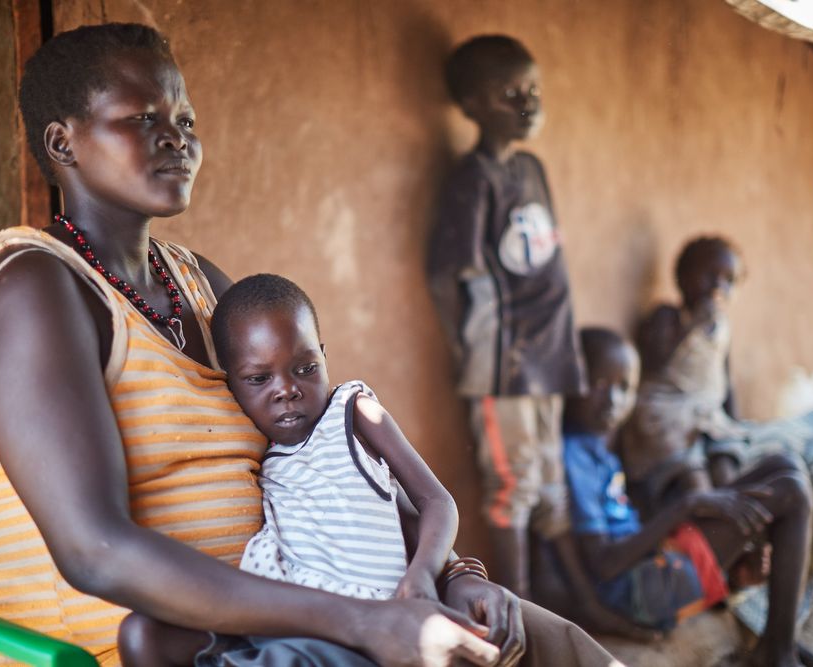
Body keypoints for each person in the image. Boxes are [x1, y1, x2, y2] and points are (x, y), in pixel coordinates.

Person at [0, 22, 618, 667]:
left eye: (186, 122)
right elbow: (95, 551)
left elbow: (337, 456)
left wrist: (448, 572)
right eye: (143, 119)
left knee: (541, 638)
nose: (176, 138)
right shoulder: (32, 287)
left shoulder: (200, 285)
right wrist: (361, 620)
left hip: (290, 614)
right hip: (131, 643)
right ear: (63, 143)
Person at [425, 34, 633, 637]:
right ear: (470, 105)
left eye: (533, 90)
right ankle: (523, 617)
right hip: (505, 365)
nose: (527, 102)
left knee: (550, 484)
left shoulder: (532, 169)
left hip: (549, 356)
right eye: (509, 93)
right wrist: (469, 352)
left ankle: (575, 606)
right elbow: (446, 273)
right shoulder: (475, 178)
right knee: (513, 486)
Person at [564, 328, 813, 666]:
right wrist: (690, 506)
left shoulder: (599, 450)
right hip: (638, 595)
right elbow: (606, 564)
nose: (612, 400)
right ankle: (778, 653)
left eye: (624, 388)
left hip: (651, 566)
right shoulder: (573, 456)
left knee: (784, 465)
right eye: (599, 384)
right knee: (791, 492)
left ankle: (775, 642)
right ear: (573, 380)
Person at [210, 272, 457, 603]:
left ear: (324, 358)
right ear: (231, 385)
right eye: (259, 378)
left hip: (389, 611)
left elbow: (436, 501)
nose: (286, 390)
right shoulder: (250, 450)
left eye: (306, 368)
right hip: (310, 627)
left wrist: (424, 572)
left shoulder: (353, 414)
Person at [620, 236, 748, 518]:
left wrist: (737, 427)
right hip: (666, 414)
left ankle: (733, 542)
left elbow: (726, 382)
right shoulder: (667, 316)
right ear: (682, 278)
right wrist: (693, 325)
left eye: (728, 279)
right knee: (696, 483)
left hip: (705, 416)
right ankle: (703, 545)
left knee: (728, 469)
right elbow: (655, 359)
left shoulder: (721, 325)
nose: (718, 285)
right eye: (709, 275)